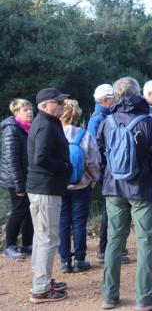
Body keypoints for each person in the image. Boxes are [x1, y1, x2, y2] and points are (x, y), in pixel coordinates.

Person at [96, 77, 152, 310]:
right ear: (138, 93)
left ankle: (109, 295)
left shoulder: (106, 122)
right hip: (142, 189)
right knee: (145, 242)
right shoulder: (149, 123)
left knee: (114, 242)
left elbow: (101, 155)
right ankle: (145, 296)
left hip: (113, 187)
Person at [27, 88, 72, 304]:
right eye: (59, 102)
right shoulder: (45, 125)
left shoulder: (47, 121)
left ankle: (41, 281)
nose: (63, 105)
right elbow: (41, 158)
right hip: (45, 189)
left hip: (43, 189)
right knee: (47, 238)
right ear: (45, 105)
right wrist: (63, 167)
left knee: (41, 237)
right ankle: (41, 289)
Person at [89, 84, 130, 265]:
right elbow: (94, 150)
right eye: (113, 98)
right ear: (106, 100)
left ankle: (113, 247)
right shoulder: (99, 119)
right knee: (110, 213)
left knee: (113, 211)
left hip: (109, 171)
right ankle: (105, 250)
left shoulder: (102, 117)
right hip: (108, 172)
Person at [58, 99, 101, 273]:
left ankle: (64, 261)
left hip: (59, 186)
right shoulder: (84, 135)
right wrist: (94, 179)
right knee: (79, 223)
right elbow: (93, 162)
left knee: (62, 223)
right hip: (81, 185)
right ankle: (80, 260)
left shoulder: (54, 134)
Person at [0, 99, 34, 260]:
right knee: (19, 211)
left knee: (29, 211)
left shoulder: (27, 128)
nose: (29, 112)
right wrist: (19, 185)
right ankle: (10, 246)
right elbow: (12, 159)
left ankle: (27, 244)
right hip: (16, 179)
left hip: (27, 177)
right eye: (25, 109)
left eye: (30, 109)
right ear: (16, 112)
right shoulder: (11, 129)